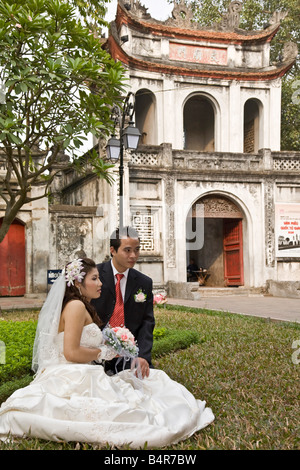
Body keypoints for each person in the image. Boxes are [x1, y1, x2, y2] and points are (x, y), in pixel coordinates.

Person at [0, 258, 214, 448]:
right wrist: (103, 352)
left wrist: (116, 345)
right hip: (72, 373)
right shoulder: (75, 306)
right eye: (95, 279)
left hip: (80, 370)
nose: (101, 283)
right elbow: (71, 352)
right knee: (132, 407)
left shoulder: (79, 305)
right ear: (77, 282)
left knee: (149, 383)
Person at [91, 227, 155, 378]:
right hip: (95, 353)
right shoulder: (94, 276)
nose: (133, 255)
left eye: (137, 250)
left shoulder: (144, 282)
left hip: (130, 355)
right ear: (113, 250)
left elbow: (147, 322)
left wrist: (143, 356)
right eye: (127, 250)